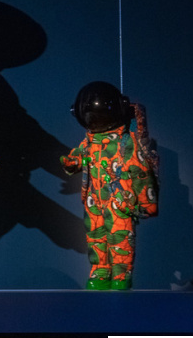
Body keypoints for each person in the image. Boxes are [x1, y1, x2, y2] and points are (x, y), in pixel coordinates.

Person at [60, 81, 159, 290]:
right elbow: (78, 157)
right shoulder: (89, 142)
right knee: (95, 237)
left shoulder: (126, 143)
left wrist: (147, 201)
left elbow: (141, 172)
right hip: (94, 201)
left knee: (120, 238)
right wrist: (71, 163)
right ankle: (100, 271)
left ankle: (121, 277)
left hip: (119, 200)